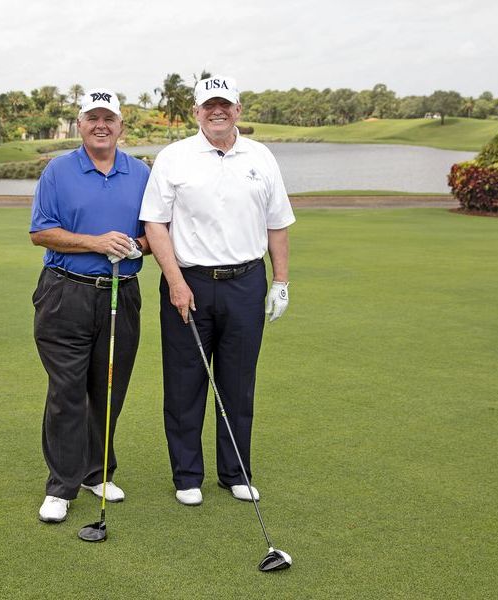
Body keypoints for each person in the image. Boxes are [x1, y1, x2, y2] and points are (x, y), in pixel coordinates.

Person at [140, 75, 295, 506]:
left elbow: (277, 223)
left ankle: (235, 473)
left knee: (238, 383)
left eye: (225, 104)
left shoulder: (261, 157)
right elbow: (155, 223)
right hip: (188, 283)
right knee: (184, 384)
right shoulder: (174, 157)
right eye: (209, 105)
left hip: (245, 283)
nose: (217, 111)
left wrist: (281, 281)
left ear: (238, 110)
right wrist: (175, 282)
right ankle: (188, 476)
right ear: (196, 112)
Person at [29, 88, 150, 523]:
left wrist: (135, 246)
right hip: (66, 293)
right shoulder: (58, 170)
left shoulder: (141, 173)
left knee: (108, 388)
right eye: (93, 118)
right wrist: (95, 242)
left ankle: (96, 473)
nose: (101, 126)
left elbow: (156, 233)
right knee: (67, 390)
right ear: (80, 124)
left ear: (121, 125)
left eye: (109, 118)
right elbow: (41, 232)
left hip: (121, 292)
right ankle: (61, 487)